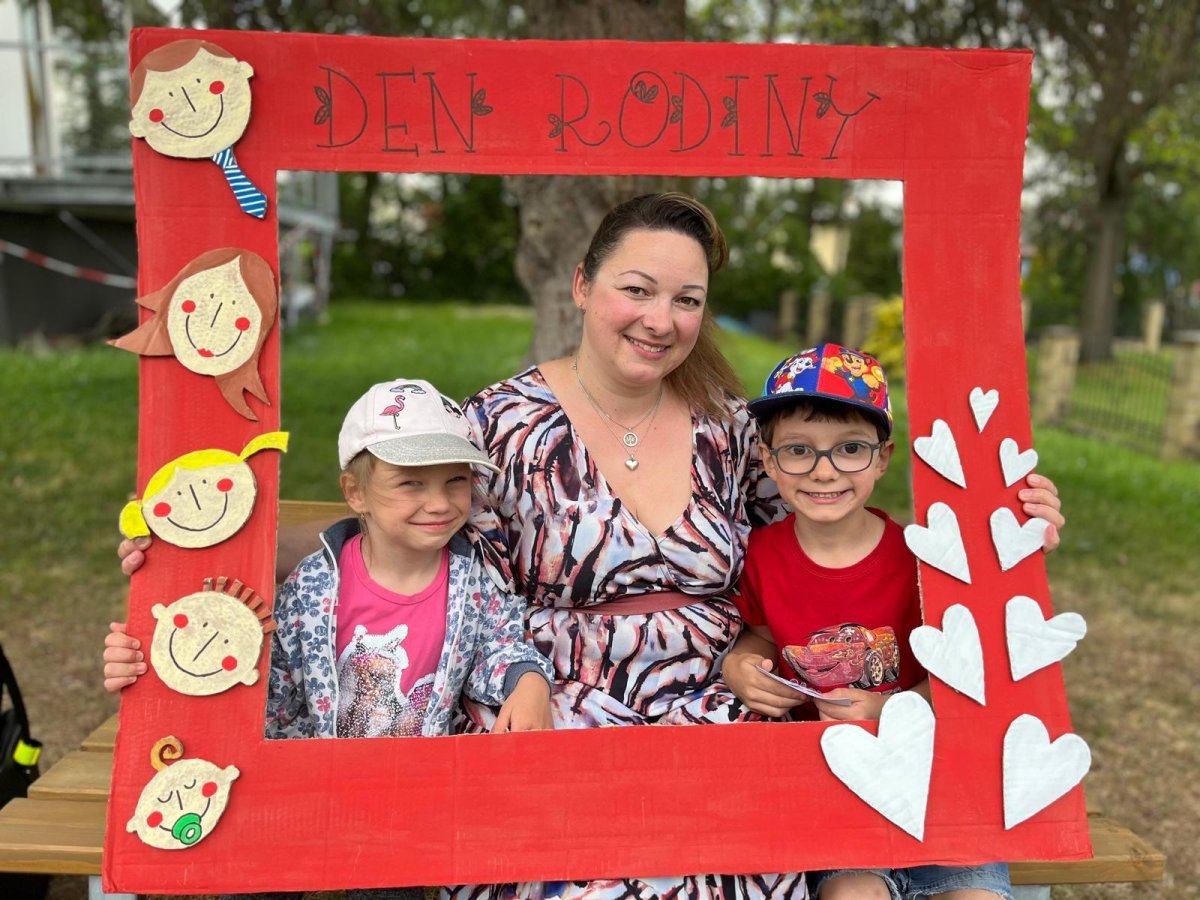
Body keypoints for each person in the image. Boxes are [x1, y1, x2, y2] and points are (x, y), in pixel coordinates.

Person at [112, 193, 1064, 899]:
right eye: (637, 289)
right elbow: (408, 537)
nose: (661, 319)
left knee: (736, 877)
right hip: (554, 701)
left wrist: (1005, 529)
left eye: (687, 299)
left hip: (722, 707)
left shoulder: (733, 426)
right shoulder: (502, 426)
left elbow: (831, 528)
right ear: (582, 285)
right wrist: (196, 558)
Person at [106, 378, 553, 897]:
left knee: (390, 888)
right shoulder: (313, 585)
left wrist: (528, 682)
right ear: (355, 493)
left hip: (405, 800)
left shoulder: (473, 582)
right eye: (411, 483)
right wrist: (159, 666)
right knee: (256, 879)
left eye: (455, 481)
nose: (439, 502)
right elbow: (265, 680)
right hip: (302, 786)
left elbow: (500, 643)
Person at [725, 344, 1012, 900]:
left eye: (850, 449)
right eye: (798, 450)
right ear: (768, 459)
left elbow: (970, 676)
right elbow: (760, 633)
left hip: (941, 791)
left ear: (883, 458)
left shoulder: (925, 558)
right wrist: (741, 664)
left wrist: (891, 709)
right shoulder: (761, 555)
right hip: (838, 795)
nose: (824, 470)